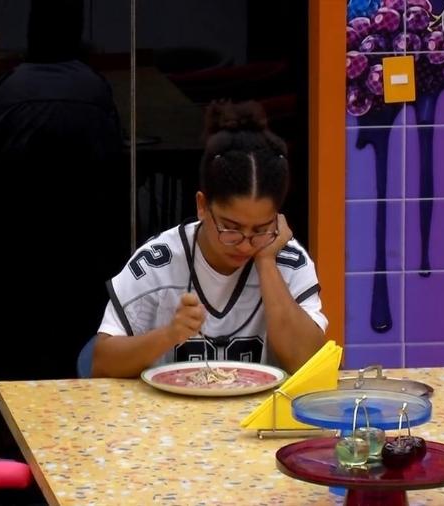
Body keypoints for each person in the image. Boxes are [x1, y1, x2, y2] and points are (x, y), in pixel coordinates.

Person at [0, 1, 127, 503]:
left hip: (13, 262)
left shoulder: (6, 92)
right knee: (75, 373)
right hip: (83, 260)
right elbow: (117, 175)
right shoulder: (96, 91)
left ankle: (13, 478)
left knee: (15, 376)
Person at [91, 100, 328, 378]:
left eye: (260, 229)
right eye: (231, 228)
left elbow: (308, 365)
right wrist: (169, 334)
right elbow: (102, 364)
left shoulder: (289, 261)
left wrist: (266, 261)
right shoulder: (158, 263)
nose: (245, 244)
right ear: (202, 206)